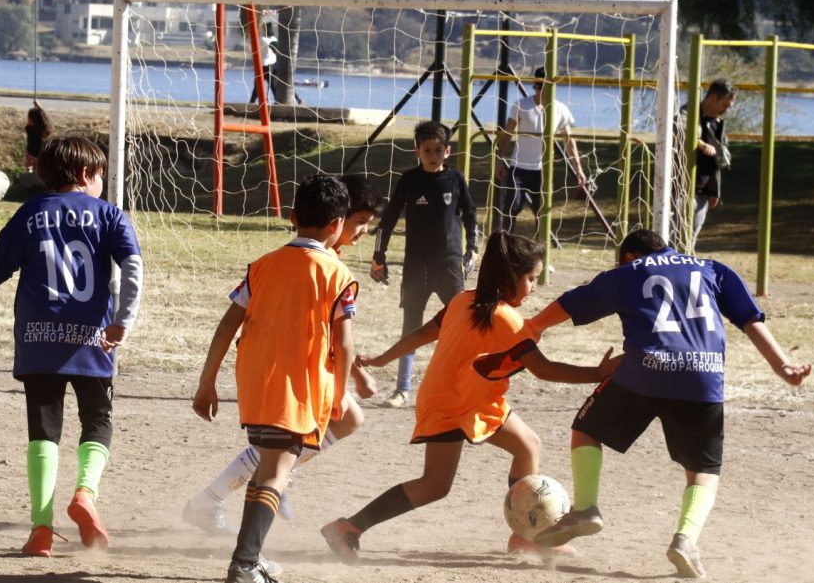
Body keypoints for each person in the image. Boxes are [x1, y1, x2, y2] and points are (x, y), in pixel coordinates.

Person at [526, 228, 811, 578]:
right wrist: (783, 366)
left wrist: (533, 326)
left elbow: (573, 301)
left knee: (586, 429)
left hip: (645, 370)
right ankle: (685, 540)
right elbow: (749, 319)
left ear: (630, 256)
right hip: (702, 376)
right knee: (703, 472)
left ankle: (585, 508)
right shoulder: (712, 268)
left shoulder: (630, 271)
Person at [320, 231, 620, 562]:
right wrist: (597, 373)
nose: (535, 287)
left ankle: (524, 538)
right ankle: (348, 528)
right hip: (448, 402)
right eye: (532, 279)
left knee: (527, 444)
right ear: (511, 276)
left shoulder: (464, 299)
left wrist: (383, 359)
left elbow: (423, 333)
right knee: (435, 485)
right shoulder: (505, 317)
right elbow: (543, 370)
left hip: (476, 398)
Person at [182, 174, 383, 535]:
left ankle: (242, 493)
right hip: (290, 373)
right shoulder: (328, 266)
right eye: (360, 223)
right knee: (320, 431)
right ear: (338, 221)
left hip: (273, 368)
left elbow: (323, 334)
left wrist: (355, 375)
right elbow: (336, 339)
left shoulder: (289, 260)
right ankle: (221, 507)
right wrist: (345, 384)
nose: (364, 231)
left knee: (331, 426)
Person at [0, 136, 143, 558]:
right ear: (88, 175)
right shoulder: (110, 215)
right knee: (97, 422)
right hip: (94, 341)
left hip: (38, 341)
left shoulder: (29, 213)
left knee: (43, 431)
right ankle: (86, 493)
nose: (102, 184)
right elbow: (133, 268)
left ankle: (40, 528)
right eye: (101, 176)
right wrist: (123, 321)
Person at [370, 120, 478, 408]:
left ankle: (462, 386)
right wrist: (378, 256)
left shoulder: (455, 180)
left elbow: (471, 214)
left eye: (438, 150)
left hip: (449, 265)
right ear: (417, 151)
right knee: (411, 325)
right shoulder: (409, 180)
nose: (433, 155)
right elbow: (389, 219)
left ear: (448, 151)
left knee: (460, 324)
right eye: (427, 150)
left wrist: (473, 248)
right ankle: (402, 390)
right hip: (416, 266)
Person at [494, 66, 587, 234]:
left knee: (542, 212)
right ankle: (506, 245)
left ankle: (540, 251)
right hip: (519, 168)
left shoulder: (560, 109)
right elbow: (507, 134)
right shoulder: (521, 105)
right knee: (512, 208)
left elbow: (569, 141)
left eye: (547, 86)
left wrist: (578, 169)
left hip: (543, 170)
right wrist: (499, 160)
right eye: (540, 85)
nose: (543, 90)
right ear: (535, 85)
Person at [681, 79, 736, 249]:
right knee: (676, 233)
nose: (725, 110)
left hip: (703, 190)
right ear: (712, 97)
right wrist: (700, 143)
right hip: (682, 186)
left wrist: (715, 190)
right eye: (724, 105)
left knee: (691, 237)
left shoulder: (717, 124)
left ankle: (685, 269)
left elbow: (718, 159)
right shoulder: (688, 113)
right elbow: (680, 132)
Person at [249, 23, 302, 105]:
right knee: (274, 85)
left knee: (259, 86)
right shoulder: (274, 39)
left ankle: (252, 102)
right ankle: (296, 100)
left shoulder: (262, 40)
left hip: (263, 65)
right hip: (272, 65)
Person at [24, 101, 52, 173]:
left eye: (29, 118)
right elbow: (41, 114)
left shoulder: (43, 129)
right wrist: (38, 106)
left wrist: (39, 107)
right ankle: (30, 175)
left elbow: (41, 114)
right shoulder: (31, 127)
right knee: (29, 167)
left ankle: (34, 176)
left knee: (37, 168)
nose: (28, 119)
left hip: (38, 151)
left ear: (34, 120)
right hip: (30, 150)